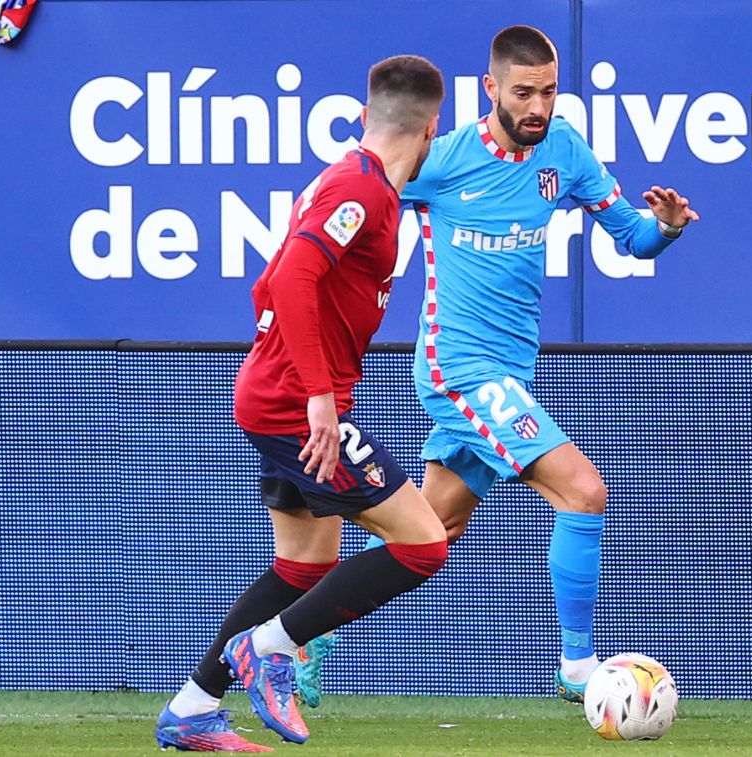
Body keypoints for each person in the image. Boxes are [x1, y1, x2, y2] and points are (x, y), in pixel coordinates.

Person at [295, 25, 700, 708]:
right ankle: (578, 667)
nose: (538, 105)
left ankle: (305, 630)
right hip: (457, 367)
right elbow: (356, 197)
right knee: (584, 490)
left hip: (509, 373)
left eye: (548, 90)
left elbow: (632, 239)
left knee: (427, 531)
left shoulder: (565, 152)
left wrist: (663, 227)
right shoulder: (440, 161)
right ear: (489, 90)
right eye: (523, 92)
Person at [154, 54, 447, 753]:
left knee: (305, 564)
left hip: (275, 387)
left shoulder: (349, 178)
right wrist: (319, 394)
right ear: (433, 128)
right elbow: (290, 276)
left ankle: (192, 708)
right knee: (423, 543)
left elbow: (275, 283)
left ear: (362, 116)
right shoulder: (365, 190)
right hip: (295, 400)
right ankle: (273, 646)